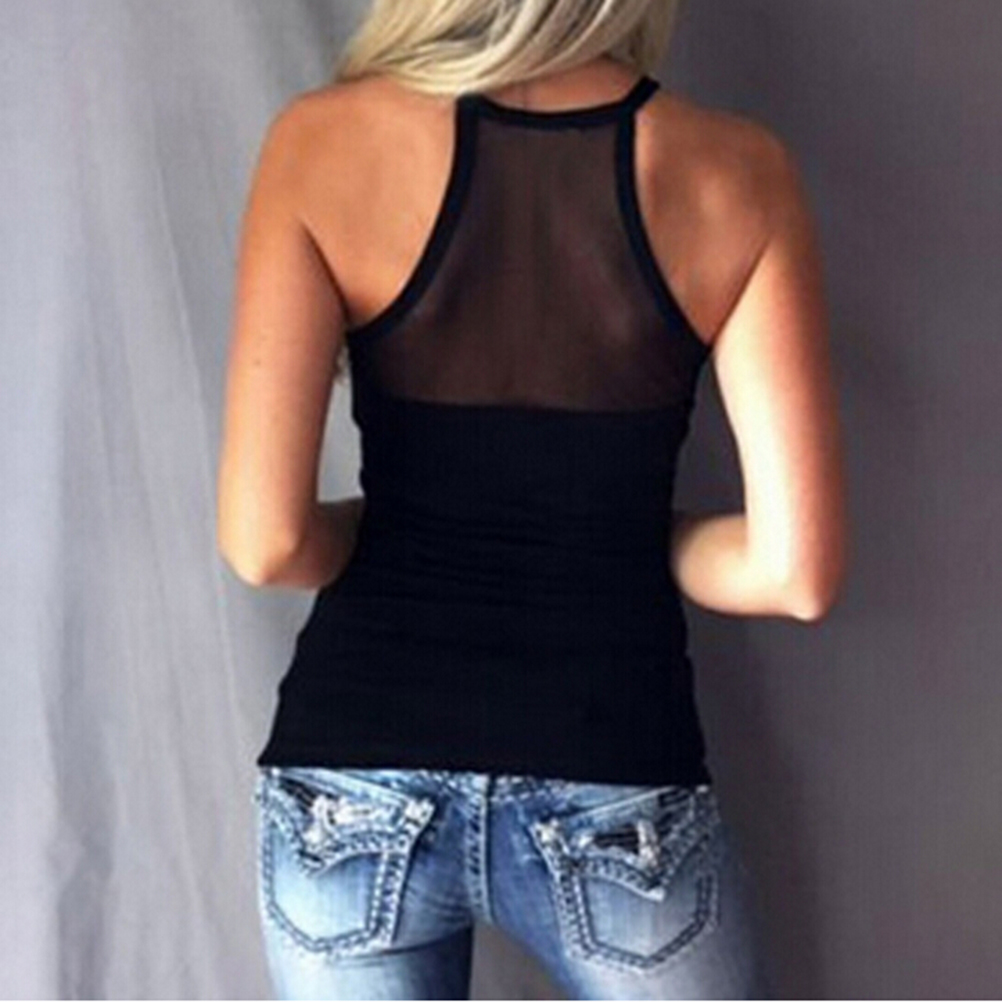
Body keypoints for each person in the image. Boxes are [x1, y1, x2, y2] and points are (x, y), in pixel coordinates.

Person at [217, 0, 847, 997]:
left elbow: (268, 544)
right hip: (616, 782)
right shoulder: (735, 171)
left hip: (354, 789)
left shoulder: (321, 143)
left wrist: (403, 530)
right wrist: (617, 535)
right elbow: (792, 572)